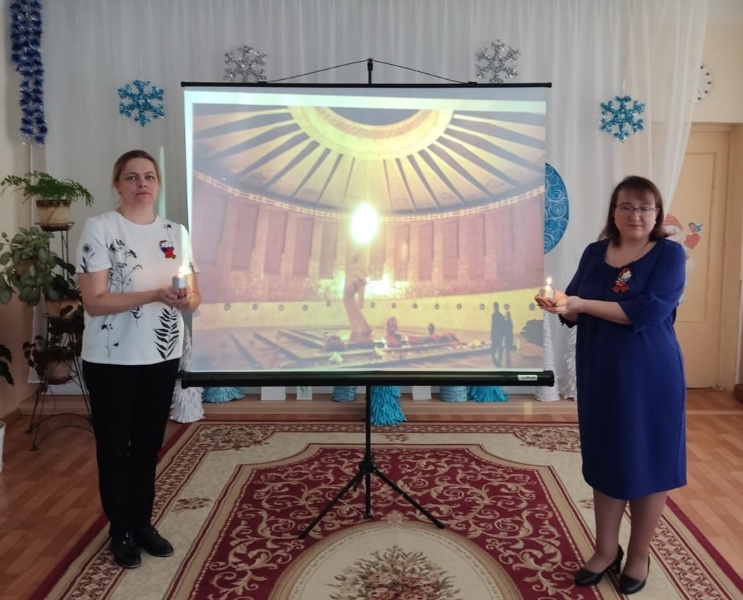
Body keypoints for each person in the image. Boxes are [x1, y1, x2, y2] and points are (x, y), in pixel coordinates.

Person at [536, 175, 686, 595]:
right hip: (601, 370)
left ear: (656, 214)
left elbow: (649, 310)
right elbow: (576, 306)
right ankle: (605, 550)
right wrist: (561, 305)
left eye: (645, 207)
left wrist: (582, 304)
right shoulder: (594, 252)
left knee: (648, 461)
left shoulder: (669, 254)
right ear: (613, 213)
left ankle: (638, 554)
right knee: (606, 457)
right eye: (626, 206)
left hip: (650, 374)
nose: (635, 214)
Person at [76, 150, 201, 569]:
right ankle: (121, 530)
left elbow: (195, 297)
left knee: (148, 445)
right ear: (117, 185)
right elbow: (95, 302)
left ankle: (143, 523)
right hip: (111, 359)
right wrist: (154, 295)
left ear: (158, 184)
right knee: (115, 446)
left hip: (161, 354)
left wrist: (184, 299)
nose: (142, 184)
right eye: (131, 177)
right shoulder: (100, 228)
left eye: (149, 176)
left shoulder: (175, 232)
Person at [489, 301, 506, 366]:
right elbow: (503, 326)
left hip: (495, 334)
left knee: (493, 350)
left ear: (494, 307)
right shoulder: (501, 315)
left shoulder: (494, 315)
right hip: (500, 334)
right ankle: (499, 363)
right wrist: (503, 334)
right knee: (499, 348)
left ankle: (497, 363)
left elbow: (493, 326)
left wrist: (492, 334)